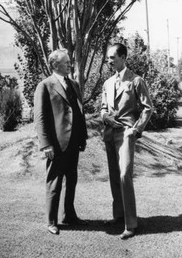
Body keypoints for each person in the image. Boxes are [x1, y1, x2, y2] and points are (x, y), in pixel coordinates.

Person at [101, 43, 154, 239]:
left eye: (112, 57)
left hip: (126, 134)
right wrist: (105, 117)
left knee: (125, 175)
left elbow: (148, 107)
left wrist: (136, 129)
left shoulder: (136, 81)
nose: (109, 61)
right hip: (109, 134)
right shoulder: (107, 83)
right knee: (115, 176)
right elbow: (103, 108)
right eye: (108, 58)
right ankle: (118, 216)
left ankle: (130, 224)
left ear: (123, 57)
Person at [34, 49, 88, 235]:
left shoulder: (73, 84)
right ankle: (51, 221)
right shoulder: (45, 85)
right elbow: (40, 118)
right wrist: (46, 144)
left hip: (73, 142)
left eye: (69, 62)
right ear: (55, 65)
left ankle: (69, 215)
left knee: (71, 180)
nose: (69, 65)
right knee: (54, 183)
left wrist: (82, 137)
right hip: (56, 144)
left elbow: (79, 112)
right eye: (66, 62)